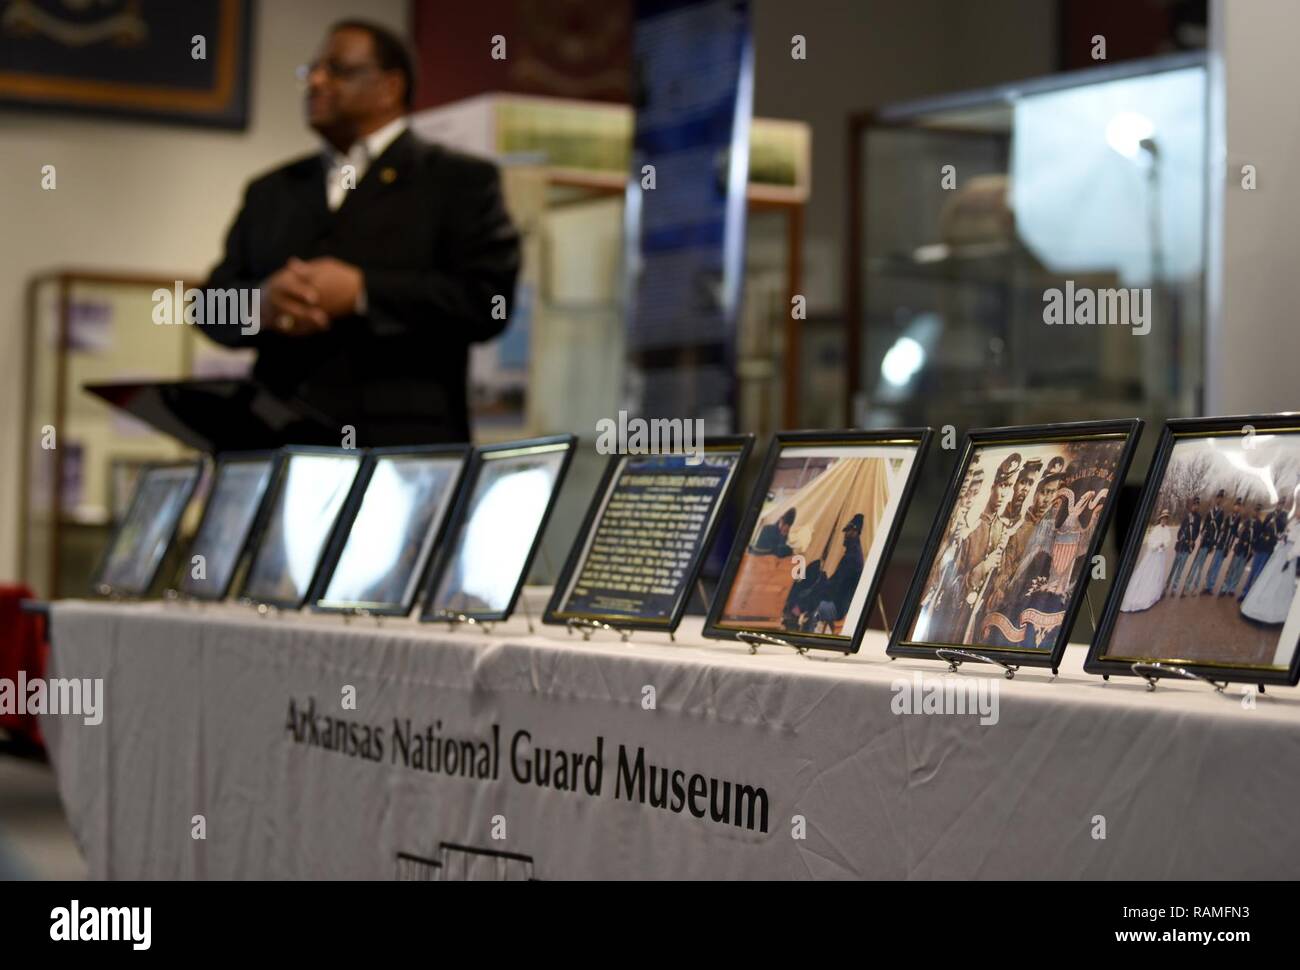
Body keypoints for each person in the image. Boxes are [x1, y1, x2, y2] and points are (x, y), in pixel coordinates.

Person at [200, 20, 521, 446]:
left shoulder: (459, 181)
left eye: (337, 70)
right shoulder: (271, 190)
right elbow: (209, 307)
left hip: (400, 454)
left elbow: (487, 302)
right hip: (276, 445)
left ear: (390, 86)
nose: (315, 81)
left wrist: (362, 292)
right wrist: (261, 303)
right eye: (311, 70)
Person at [809, 514, 866, 632]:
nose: (845, 535)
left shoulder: (852, 557)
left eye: (848, 531)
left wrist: (821, 586)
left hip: (838, 606)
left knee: (811, 599)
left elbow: (837, 585)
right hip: (838, 601)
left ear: (855, 532)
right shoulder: (852, 553)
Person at [1240, 514, 1300, 624]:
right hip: (1282, 550)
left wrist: (1290, 557)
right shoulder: (1293, 522)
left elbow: (1298, 545)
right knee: (1267, 579)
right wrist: (1283, 538)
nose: (1298, 512)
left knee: (1279, 584)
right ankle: (1255, 608)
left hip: (1289, 555)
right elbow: (1285, 534)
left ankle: (1273, 614)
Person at [1121, 509, 1176, 612]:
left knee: (1158, 573)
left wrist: (1164, 544)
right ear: (1160, 519)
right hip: (1153, 554)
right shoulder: (1156, 529)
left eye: (1166, 519)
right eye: (1163, 518)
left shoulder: (1167, 529)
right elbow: (1151, 541)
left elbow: (1168, 540)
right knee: (1148, 572)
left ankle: (1154, 593)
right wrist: (1157, 544)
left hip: (1161, 555)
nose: (1164, 520)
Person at [1184, 489, 1224, 594]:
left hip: (1210, 543)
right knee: (1195, 563)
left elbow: (1219, 530)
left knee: (1201, 566)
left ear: (1222, 500)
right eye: (1218, 497)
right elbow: (1205, 524)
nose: (1219, 499)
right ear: (1216, 498)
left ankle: (1195, 587)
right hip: (1204, 540)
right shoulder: (1210, 511)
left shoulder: (1221, 513)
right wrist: (1202, 534)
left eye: (1221, 498)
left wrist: (1214, 544)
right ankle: (1187, 585)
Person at [1239, 503, 1280, 601]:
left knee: (1258, 575)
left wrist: (1275, 524)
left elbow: (1277, 536)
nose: (1280, 506)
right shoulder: (1267, 518)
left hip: (1268, 551)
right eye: (1279, 504)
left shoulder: (1281, 519)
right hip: (1260, 548)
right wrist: (1255, 547)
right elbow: (1260, 533)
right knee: (1252, 573)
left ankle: (1251, 596)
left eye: (1282, 504)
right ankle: (1245, 593)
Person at [1203, 495, 1242, 595]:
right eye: (1236, 505)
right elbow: (1221, 530)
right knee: (1213, 565)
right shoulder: (1228, 516)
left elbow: (1234, 534)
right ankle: (1206, 586)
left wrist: (1229, 547)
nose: (1237, 507)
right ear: (1234, 506)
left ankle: (1211, 586)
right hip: (1221, 543)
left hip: (1227, 545)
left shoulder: (1238, 518)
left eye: (1239, 506)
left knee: (1218, 566)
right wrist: (1216, 542)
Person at [1221, 502, 1261, 598]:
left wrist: (1252, 548)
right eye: (1255, 510)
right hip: (1239, 548)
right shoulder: (1247, 521)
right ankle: (1225, 587)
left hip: (1247, 551)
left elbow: (1257, 538)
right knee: (1232, 568)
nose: (1256, 512)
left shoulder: (1259, 524)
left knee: (1239, 570)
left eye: (1258, 511)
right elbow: (1239, 533)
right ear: (1253, 511)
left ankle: (1232, 588)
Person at [1166, 496, 1201, 596]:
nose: (1195, 506)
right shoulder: (1187, 515)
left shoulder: (1198, 518)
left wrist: (1192, 540)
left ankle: (1174, 588)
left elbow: (1197, 531)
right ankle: (1167, 586)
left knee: (1180, 569)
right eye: (1194, 504)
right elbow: (1181, 528)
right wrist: (1180, 536)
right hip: (1180, 545)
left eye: (1197, 505)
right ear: (1192, 505)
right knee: (1174, 567)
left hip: (1187, 547)